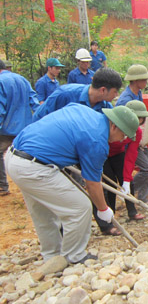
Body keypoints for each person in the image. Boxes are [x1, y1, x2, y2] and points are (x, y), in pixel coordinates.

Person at [6, 103, 139, 263]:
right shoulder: (97, 141)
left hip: (15, 158)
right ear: (114, 126)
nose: (123, 139)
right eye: (124, 134)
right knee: (81, 207)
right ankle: (74, 256)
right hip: (35, 168)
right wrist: (103, 209)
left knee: (43, 213)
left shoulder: (86, 112)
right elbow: (92, 183)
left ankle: (52, 258)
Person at [94, 101, 148, 236]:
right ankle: (109, 218)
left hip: (119, 154)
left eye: (139, 122)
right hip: (103, 154)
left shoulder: (137, 132)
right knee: (109, 184)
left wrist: (126, 179)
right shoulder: (108, 126)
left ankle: (132, 211)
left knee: (127, 182)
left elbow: (131, 155)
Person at [116, 64, 148, 205]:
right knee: (147, 168)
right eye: (144, 79)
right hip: (128, 140)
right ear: (136, 80)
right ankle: (126, 192)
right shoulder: (125, 100)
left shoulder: (137, 93)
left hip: (137, 137)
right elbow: (121, 126)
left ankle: (143, 198)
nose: (146, 82)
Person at [0, 60, 40, 196]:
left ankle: (2, 186)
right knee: (28, 157)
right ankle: (33, 187)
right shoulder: (22, 79)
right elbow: (34, 101)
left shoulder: (0, 81)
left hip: (6, 128)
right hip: (25, 127)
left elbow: (0, 107)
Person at [33, 68, 121, 122]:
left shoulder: (106, 108)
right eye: (115, 91)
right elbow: (39, 117)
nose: (116, 95)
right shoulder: (65, 95)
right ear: (103, 90)